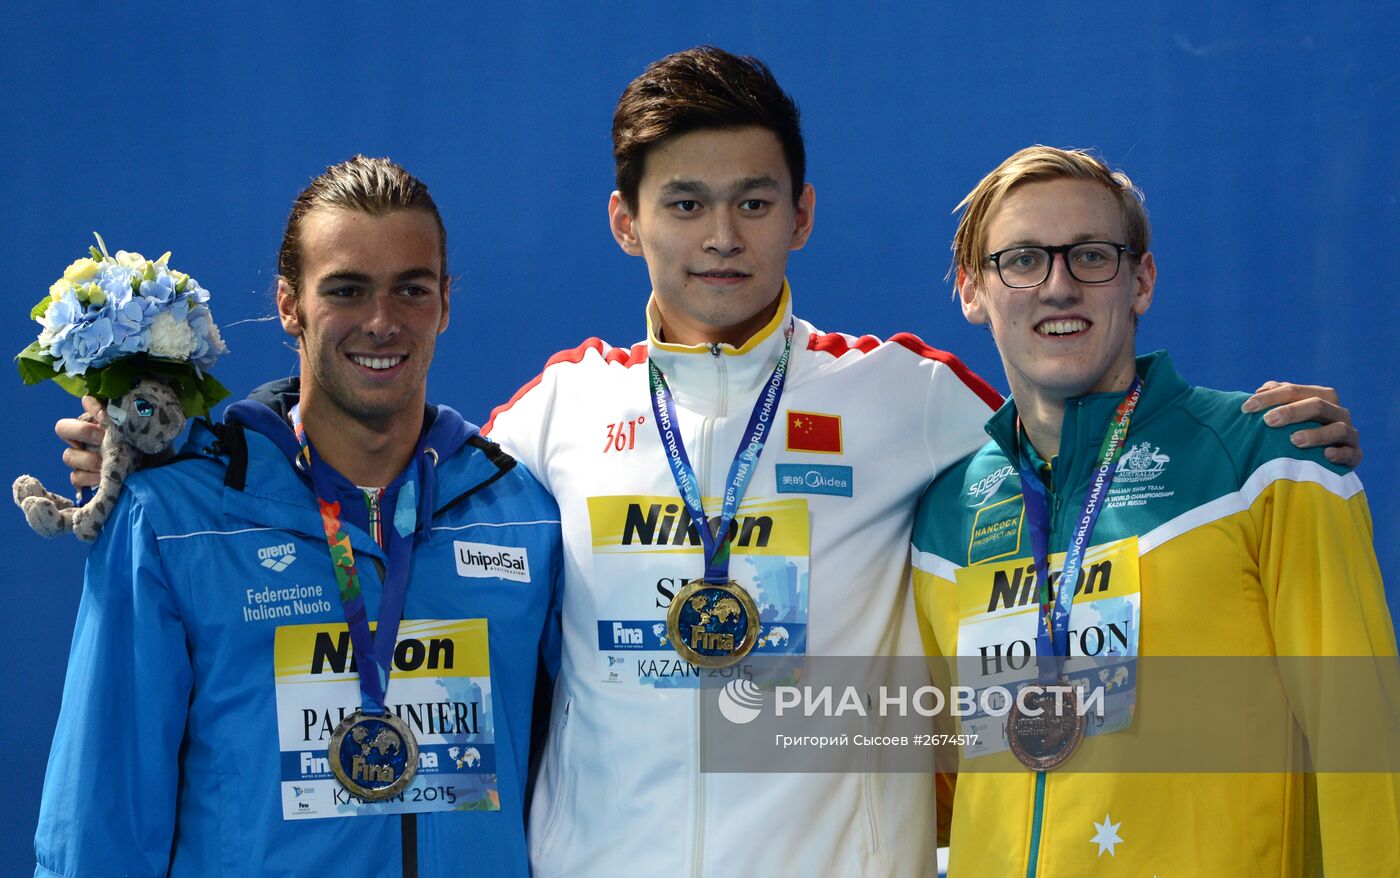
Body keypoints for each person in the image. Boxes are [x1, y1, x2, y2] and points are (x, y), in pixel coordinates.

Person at [52, 51, 1362, 877]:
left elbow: (1076, 432)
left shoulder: (905, 393)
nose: (720, 235)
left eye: (752, 200)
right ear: (626, 221)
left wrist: (1250, 432)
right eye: (683, 202)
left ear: (803, 212)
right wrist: (191, 438)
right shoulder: (553, 414)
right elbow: (373, 466)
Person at [35, 156, 562, 877]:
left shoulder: (521, 515)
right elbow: (101, 819)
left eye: (411, 289)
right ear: (290, 304)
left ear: (444, 302)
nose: (382, 322)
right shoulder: (178, 518)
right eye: (347, 290)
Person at [910, 146, 1398, 876]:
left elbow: (1361, 739)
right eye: (1021, 260)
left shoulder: (1266, 461)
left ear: (1140, 281)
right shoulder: (947, 512)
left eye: (1092, 256)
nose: (1059, 286)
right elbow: (939, 788)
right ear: (972, 291)